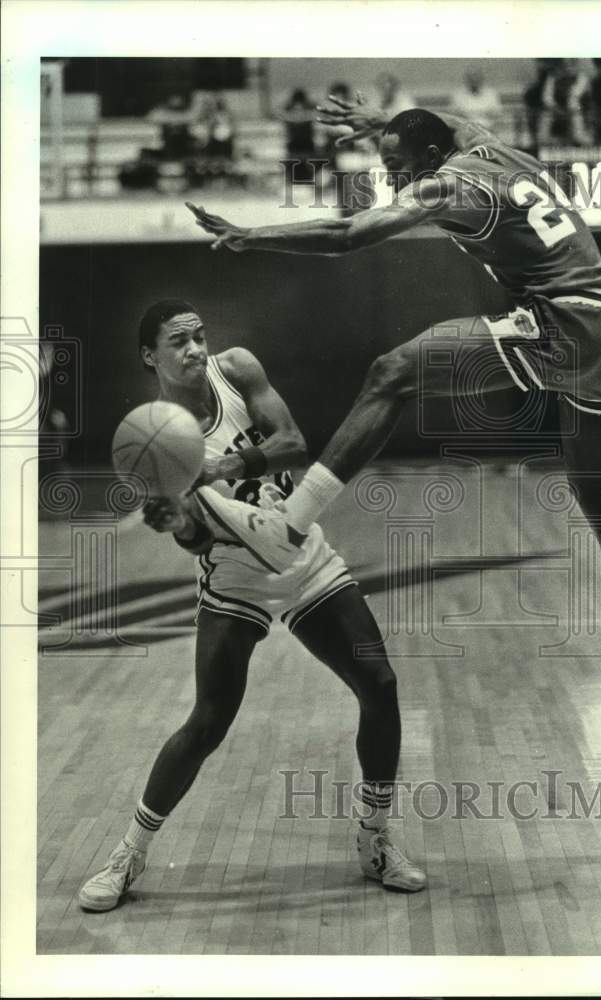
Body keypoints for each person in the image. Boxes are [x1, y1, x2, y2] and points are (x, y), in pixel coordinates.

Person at [185, 97, 601, 691]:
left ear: (429, 158)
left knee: (392, 373)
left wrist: (253, 236)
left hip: (563, 324)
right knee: (595, 491)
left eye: (397, 168)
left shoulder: (445, 187)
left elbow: (347, 234)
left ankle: (290, 523)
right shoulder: (489, 146)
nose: (391, 181)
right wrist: (379, 123)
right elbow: (450, 124)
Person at [77, 299, 426, 912]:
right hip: (234, 575)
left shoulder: (235, 369)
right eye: (178, 343)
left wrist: (221, 465)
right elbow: (198, 536)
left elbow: (295, 442)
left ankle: (375, 839)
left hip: (301, 554)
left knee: (380, 682)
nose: (195, 350)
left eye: (199, 336)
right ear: (149, 358)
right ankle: (129, 852)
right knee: (208, 720)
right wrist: (177, 518)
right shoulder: (151, 440)